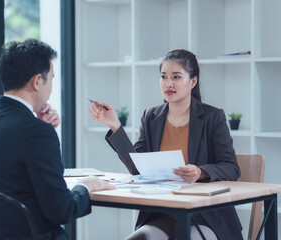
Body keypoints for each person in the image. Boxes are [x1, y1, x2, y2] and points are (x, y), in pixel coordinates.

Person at [0, 39, 115, 240]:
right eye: (51, 80)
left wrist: (38, 125)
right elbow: (61, 210)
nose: (51, 89)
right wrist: (85, 186)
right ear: (38, 81)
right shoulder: (37, 132)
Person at [89, 49, 243, 239]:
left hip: (204, 216)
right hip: (163, 214)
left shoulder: (213, 117)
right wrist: (115, 126)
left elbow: (231, 168)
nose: (168, 83)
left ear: (192, 82)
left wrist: (200, 172)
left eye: (176, 77)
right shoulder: (151, 116)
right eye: (164, 77)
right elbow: (137, 169)